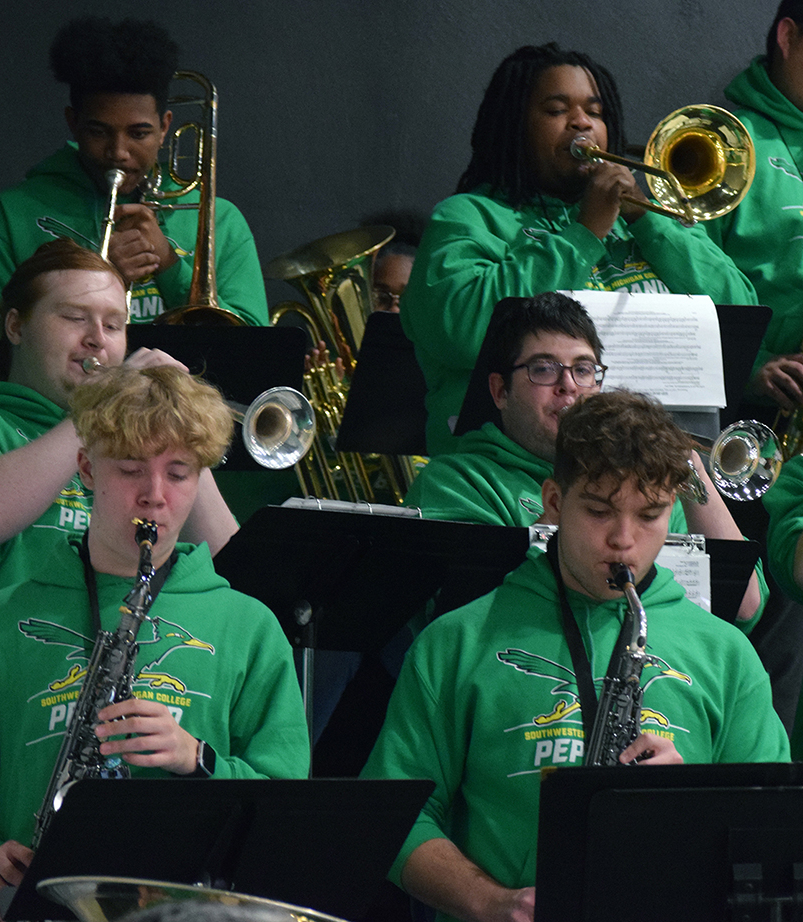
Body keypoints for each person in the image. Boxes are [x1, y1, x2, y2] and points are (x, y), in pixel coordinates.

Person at [0, 364, 311, 922]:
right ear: (86, 467)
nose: (154, 496)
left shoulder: (249, 625)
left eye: (180, 473)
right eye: (132, 469)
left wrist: (197, 758)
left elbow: (289, 810)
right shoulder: (0, 619)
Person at [362, 389, 789, 922]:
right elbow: (398, 818)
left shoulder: (726, 653)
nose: (624, 541)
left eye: (651, 514)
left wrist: (690, 799)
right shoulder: (456, 641)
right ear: (554, 501)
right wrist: (492, 903)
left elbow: (769, 835)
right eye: (599, 510)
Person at [399, 42, 759, 456]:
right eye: (556, 110)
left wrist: (648, 219)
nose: (581, 123)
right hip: (512, 478)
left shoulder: (646, 220)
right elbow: (460, 331)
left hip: (649, 471)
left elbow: (738, 312)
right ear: (514, 125)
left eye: (595, 112)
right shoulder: (467, 218)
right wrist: (585, 231)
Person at [404, 292, 766, 628]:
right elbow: (467, 614)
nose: (569, 386)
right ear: (500, 391)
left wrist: (688, 463)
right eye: (543, 369)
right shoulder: (455, 482)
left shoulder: (641, 482)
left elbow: (746, 604)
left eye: (583, 369)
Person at [0, 16, 268, 351]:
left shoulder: (221, 221)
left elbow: (256, 353)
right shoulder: (11, 215)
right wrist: (100, 278)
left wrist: (169, 265)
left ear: (165, 127)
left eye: (139, 133)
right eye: (98, 132)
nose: (118, 153)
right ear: (73, 123)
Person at [705, 1, 803, 412]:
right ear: (787, 37)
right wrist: (749, 366)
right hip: (756, 411)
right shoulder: (717, 144)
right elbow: (675, 283)